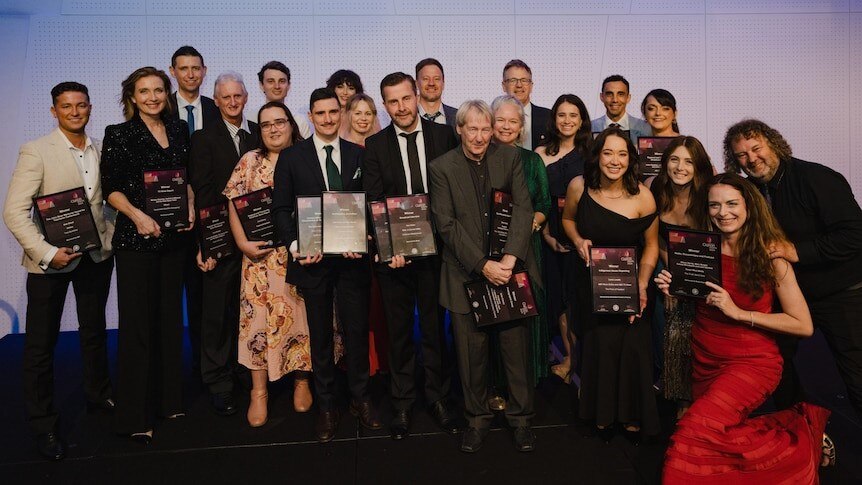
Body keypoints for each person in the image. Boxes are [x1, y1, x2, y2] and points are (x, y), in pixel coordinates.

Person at [657, 172, 833, 482]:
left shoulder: (770, 254)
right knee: (716, 438)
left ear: (749, 205)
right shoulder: (699, 248)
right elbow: (696, 299)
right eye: (714, 205)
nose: (723, 213)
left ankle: (802, 440)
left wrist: (740, 313)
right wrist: (675, 290)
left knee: (690, 435)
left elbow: (803, 325)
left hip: (752, 362)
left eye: (731, 203)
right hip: (705, 359)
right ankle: (792, 429)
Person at [3, 82, 115, 461]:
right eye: (66, 107)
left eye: (81, 105)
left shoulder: (100, 147)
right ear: (54, 110)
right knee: (40, 346)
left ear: (90, 107)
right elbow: (14, 212)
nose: (74, 112)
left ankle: (99, 397)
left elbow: (105, 204)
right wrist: (49, 252)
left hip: (95, 258)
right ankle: (44, 424)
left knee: (94, 332)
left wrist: (110, 241)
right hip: (50, 264)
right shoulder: (36, 151)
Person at [724, 119, 862, 420]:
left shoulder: (817, 178)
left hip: (840, 293)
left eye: (756, 148)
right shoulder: (751, 192)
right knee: (775, 363)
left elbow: (854, 235)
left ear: (773, 144)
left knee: (856, 371)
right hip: (788, 295)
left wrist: (796, 251)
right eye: (741, 155)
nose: (751, 159)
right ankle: (798, 429)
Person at [272, 87, 381, 443]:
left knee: (355, 332)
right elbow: (281, 210)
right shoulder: (291, 158)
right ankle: (328, 406)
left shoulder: (358, 154)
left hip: (351, 261)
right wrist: (296, 246)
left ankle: (361, 400)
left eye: (334, 112)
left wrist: (364, 238)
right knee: (319, 337)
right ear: (311, 116)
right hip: (312, 262)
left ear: (342, 113)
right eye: (320, 114)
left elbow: (369, 205)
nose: (328, 119)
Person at [429, 100, 538, 453]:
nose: (479, 136)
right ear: (459, 128)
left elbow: (523, 207)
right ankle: (476, 421)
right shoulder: (441, 168)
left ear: (493, 131)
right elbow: (446, 224)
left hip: (508, 271)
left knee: (515, 355)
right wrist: (482, 265)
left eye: (485, 129)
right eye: (471, 128)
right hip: (466, 275)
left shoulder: (510, 158)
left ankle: (521, 421)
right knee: (471, 357)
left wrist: (508, 259)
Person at [362, 72, 461, 440]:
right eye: (392, 101)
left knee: (436, 329)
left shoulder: (444, 136)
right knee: (399, 331)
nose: (401, 107)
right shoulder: (374, 146)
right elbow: (374, 200)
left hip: (437, 254)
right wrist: (390, 249)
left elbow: (453, 193)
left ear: (416, 96)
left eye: (406, 98)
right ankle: (402, 401)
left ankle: (438, 397)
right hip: (396, 258)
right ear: (384, 105)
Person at [100, 66, 195, 443]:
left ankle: (169, 400)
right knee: (139, 327)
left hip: (173, 241)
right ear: (132, 97)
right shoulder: (118, 133)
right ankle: (135, 415)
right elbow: (111, 188)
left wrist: (189, 205)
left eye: (158, 90)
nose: (153, 97)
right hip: (137, 242)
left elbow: (184, 178)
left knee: (170, 321)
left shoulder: (178, 129)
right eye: (144, 91)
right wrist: (138, 216)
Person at [222, 102, 319, 426]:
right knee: (257, 326)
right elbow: (233, 205)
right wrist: (240, 243)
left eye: (280, 122)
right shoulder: (249, 161)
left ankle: (302, 381)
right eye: (266, 124)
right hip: (260, 262)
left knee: (303, 322)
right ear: (259, 130)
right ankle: (258, 392)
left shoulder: (307, 156)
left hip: (301, 257)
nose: (274, 128)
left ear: (291, 124)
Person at [561, 126, 659, 442]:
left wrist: (642, 284)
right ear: (597, 156)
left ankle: (631, 413)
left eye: (621, 154)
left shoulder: (643, 196)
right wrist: (577, 240)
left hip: (632, 286)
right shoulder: (579, 187)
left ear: (630, 159)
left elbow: (652, 246)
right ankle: (600, 412)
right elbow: (568, 220)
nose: (614, 161)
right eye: (607, 152)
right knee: (599, 346)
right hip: (591, 285)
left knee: (632, 348)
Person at [189, 71, 261, 417]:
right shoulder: (203, 139)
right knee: (216, 313)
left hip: (254, 239)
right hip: (220, 238)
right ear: (215, 101)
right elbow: (203, 192)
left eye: (238, 96)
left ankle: (241, 370)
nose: (233, 102)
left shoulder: (257, 136)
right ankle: (217, 381)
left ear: (246, 98)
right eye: (226, 97)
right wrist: (205, 243)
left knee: (244, 312)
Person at [644, 136, 713, 419]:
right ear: (665, 162)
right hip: (668, 263)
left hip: (705, 268)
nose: (680, 167)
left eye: (688, 161)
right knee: (663, 314)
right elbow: (657, 240)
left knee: (698, 327)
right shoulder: (654, 187)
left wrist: (686, 280)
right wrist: (673, 277)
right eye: (674, 160)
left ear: (698, 166)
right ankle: (675, 387)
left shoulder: (709, 193)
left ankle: (699, 390)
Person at [490, 94, 551, 386]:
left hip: (527, 249)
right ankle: (498, 382)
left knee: (527, 310)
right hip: (489, 252)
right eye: (500, 119)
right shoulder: (480, 158)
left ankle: (529, 381)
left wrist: (528, 227)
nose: (505, 126)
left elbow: (544, 203)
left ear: (521, 126)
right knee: (496, 312)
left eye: (512, 121)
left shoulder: (533, 160)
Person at [168, 45, 218, 378]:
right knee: (170, 302)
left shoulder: (218, 109)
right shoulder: (158, 108)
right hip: (168, 219)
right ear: (173, 71)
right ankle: (171, 377)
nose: (190, 74)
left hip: (209, 217)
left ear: (204, 71)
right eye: (183, 68)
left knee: (207, 301)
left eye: (195, 68)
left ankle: (207, 369)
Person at [501, 59, 550, 149]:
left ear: (531, 86)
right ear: (504, 86)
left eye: (524, 80)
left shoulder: (549, 118)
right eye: (513, 80)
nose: (519, 85)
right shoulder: (492, 119)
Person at [256, 60, 312, 138]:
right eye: (270, 81)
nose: (277, 86)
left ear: (288, 85)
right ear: (261, 85)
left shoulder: (299, 121)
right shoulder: (252, 119)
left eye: (282, 81)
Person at [590, 75, 651, 145]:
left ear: (628, 97)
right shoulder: (590, 128)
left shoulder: (645, 128)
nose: (615, 100)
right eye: (609, 94)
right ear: (601, 97)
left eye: (620, 94)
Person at [415, 58, 457, 127]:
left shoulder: (458, 118)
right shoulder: (407, 118)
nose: (431, 83)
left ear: (443, 84)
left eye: (436, 79)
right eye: (426, 79)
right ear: (416, 84)